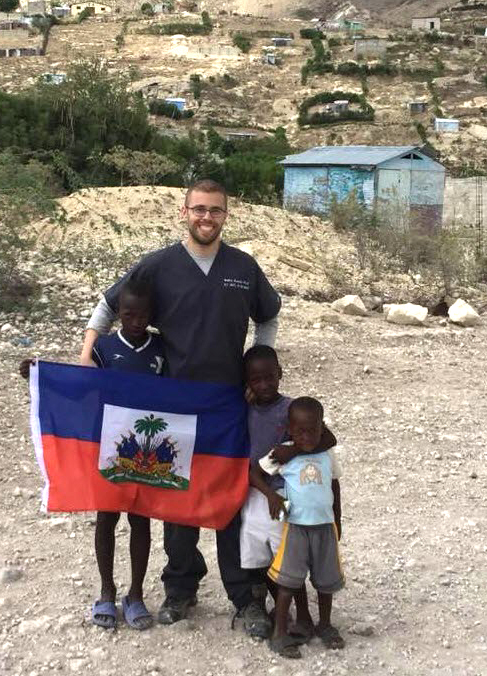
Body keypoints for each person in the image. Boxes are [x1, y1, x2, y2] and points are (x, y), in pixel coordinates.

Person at [80, 179, 282, 636]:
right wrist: (86, 356)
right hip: (171, 404)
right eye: (199, 209)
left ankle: (243, 594)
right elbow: (108, 304)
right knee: (175, 496)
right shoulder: (158, 265)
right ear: (183, 211)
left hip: (228, 402)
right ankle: (180, 588)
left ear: (226, 215)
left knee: (230, 496)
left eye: (215, 210)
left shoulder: (243, 267)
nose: (206, 218)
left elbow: (268, 313)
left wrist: (260, 359)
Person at [21, 273, 166, 631]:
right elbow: (83, 386)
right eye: (128, 315)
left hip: (147, 450)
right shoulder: (103, 347)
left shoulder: (162, 350)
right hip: (109, 446)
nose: (135, 322)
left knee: (141, 518)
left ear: (152, 314)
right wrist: (40, 375)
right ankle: (106, 590)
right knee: (106, 517)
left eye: (142, 315)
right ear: (118, 313)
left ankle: (135, 594)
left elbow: (177, 397)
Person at [240, 345, 337, 641]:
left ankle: (304, 616)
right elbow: (251, 469)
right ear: (247, 382)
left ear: (280, 374)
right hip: (255, 494)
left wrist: (292, 449)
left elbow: (328, 437)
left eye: (270, 377)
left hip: (287, 496)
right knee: (260, 557)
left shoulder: (292, 408)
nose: (264, 385)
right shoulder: (244, 408)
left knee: (288, 558)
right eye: (256, 380)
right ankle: (268, 609)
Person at [254, 397, 345, 659]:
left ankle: (325, 625)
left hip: (325, 527)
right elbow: (254, 473)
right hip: (296, 528)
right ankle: (279, 633)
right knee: (288, 581)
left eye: (313, 430)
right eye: (300, 431)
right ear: (289, 429)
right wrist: (272, 497)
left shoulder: (326, 453)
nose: (307, 436)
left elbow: (334, 485)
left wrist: (338, 519)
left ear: (322, 428)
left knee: (326, 581)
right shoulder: (281, 453)